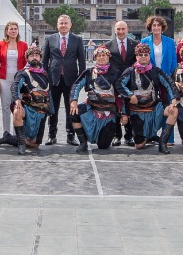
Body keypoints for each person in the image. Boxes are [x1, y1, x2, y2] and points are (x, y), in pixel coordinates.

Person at [117, 41, 175, 153]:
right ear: (136, 56)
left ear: (149, 56)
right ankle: (148, 136)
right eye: (140, 55)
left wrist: (173, 101)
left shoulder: (155, 71)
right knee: (139, 145)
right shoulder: (130, 71)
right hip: (136, 110)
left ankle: (162, 142)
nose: (143, 57)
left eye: (146, 55)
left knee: (174, 111)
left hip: (154, 108)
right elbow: (119, 84)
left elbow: (169, 84)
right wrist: (130, 95)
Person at [43, 13, 87, 146]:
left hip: (71, 80)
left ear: (70, 25)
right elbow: (45, 61)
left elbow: (82, 61)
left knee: (71, 109)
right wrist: (45, 79)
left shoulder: (77, 39)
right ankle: (52, 135)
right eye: (61, 23)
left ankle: (70, 135)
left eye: (66, 23)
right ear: (57, 25)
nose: (63, 25)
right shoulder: (50, 39)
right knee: (53, 109)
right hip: (54, 80)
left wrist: (82, 79)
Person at [71, 45, 122, 153]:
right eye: (99, 56)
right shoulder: (88, 73)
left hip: (109, 113)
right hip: (92, 108)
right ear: (95, 58)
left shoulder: (116, 73)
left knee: (103, 146)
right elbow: (76, 86)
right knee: (74, 112)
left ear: (108, 57)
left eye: (104, 55)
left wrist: (124, 113)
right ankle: (83, 142)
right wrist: (74, 101)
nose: (101, 58)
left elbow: (123, 94)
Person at [10, 46, 52, 153]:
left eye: (37, 56)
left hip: (41, 111)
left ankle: (9, 138)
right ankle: (21, 143)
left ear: (40, 58)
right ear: (27, 58)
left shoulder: (46, 73)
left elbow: (49, 92)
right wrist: (17, 100)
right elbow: (15, 86)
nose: (34, 58)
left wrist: (51, 109)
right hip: (28, 108)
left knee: (34, 145)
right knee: (17, 112)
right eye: (32, 56)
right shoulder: (23, 73)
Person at [0, 20, 27, 147]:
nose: (13, 31)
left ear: (18, 31)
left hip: (18, 80)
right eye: (10, 29)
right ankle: (6, 132)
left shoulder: (23, 45)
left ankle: (16, 134)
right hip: (4, 78)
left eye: (15, 29)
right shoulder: (1, 44)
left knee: (17, 107)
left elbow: (25, 63)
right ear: (7, 31)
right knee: (6, 107)